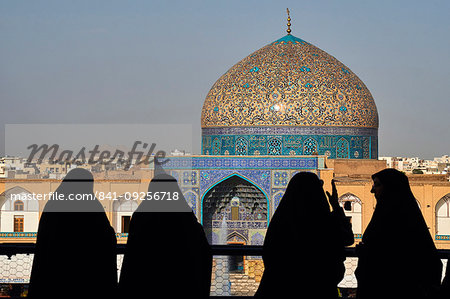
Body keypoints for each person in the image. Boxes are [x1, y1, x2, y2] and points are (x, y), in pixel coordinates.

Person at [254, 172, 354, 298]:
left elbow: (269, 254)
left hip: (281, 288)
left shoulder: (282, 220)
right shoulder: (323, 221)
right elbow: (348, 239)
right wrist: (336, 207)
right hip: (319, 288)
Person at [118, 174, 212, 298]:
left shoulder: (141, 216)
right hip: (181, 285)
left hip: (146, 284)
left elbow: (133, 254)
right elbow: (202, 248)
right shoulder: (184, 217)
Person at [28, 168, 117, 299]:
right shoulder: (91, 205)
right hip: (86, 278)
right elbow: (105, 237)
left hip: (54, 276)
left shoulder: (53, 205)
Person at [355, 168, 442, 299]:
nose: (372, 190)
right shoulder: (405, 216)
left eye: (377, 185)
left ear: (391, 188)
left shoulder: (398, 220)